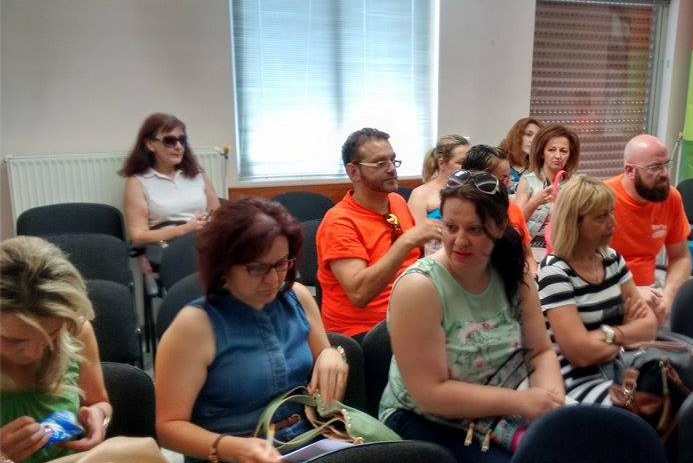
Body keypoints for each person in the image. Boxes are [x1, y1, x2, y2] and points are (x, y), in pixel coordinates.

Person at [380, 170, 564, 462]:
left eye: (474, 229)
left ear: (500, 227)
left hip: (503, 398)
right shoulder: (420, 287)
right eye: (450, 227)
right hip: (424, 416)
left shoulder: (513, 271)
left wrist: (550, 406)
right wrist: (522, 402)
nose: (459, 241)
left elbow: (540, 352)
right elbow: (429, 394)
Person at [155, 197, 349, 463]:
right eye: (257, 268)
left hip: (306, 438)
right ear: (223, 264)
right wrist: (226, 446)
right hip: (233, 452)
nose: (273, 279)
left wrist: (331, 354)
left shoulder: (297, 297)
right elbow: (167, 428)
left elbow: (324, 356)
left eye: (281, 263)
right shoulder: (195, 327)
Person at [537, 175, 657, 405]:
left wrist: (610, 336)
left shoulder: (611, 259)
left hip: (621, 366)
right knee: (641, 407)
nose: (613, 223)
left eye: (611, 212)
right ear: (575, 223)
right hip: (575, 380)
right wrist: (626, 331)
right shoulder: (555, 271)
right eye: (601, 217)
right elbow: (580, 354)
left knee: (671, 397)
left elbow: (650, 326)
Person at [316, 128, 441, 340]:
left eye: (393, 160)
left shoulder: (396, 201)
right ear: (353, 171)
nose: (391, 168)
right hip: (363, 334)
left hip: (408, 312)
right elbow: (359, 294)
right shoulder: (339, 222)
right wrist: (407, 241)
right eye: (380, 163)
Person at [0, 236, 112, 463]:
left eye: (51, 335)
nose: (33, 353)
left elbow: (98, 402)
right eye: (13, 340)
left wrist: (99, 416)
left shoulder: (76, 330)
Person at [605, 134, 691, 324]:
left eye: (666, 164)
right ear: (629, 170)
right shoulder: (602, 200)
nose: (665, 174)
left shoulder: (671, 197)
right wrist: (631, 292)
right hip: (605, 297)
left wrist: (668, 297)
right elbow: (578, 268)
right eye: (655, 167)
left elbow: (680, 257)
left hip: (650, 294)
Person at [120, 113, 220, 246]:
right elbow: (138, 235)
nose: (179, 146)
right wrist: (185, 229)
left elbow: (217, 214)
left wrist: (207, 222)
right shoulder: (137, 182)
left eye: (182, 140)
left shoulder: (197, 175)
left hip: (201, 242)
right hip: (166, 247)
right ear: (150, 144)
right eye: (169, 141)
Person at [461, 145, 537, 275]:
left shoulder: (513, 209)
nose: (509, 184)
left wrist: (532, 277)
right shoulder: (460, 214)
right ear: (481, 180)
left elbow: (529, 257)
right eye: (503, 178)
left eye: (509, 177)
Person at [515, 125, 580, 259]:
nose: (558, 156)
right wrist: (534, 202)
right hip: (529, 249)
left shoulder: (575, 184)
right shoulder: (528, 180)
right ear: (541, 153)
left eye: (563, 151)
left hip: (562, 251)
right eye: (551, 150)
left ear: (570, 155)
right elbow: (515, 224)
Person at [408, 135, 470, 255]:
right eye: (461, 162)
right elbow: (417, 238)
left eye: (469, 162)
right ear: (441, 163)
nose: (467, 167)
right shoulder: (420, 194)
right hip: (435, 256)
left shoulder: (473, 190)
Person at [499, 117, 543, 194]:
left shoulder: (537, 167)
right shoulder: (499, 159)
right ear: (517, 135)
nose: (533, 140)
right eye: (528, 134)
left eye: (537, 137)